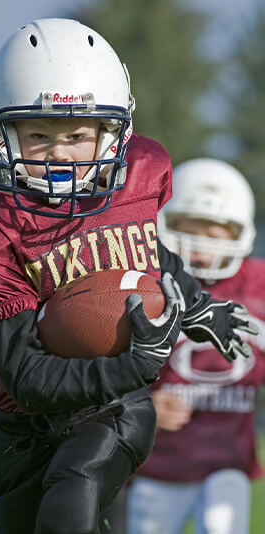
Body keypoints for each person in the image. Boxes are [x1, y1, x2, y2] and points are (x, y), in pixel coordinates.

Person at [0, 19, 257, 534]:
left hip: (110, 406)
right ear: (0, 130)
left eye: (77, 135)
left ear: (114, 132)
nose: (60, 154)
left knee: (73, 499)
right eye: (38, 135)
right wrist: (138, 363)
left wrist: (195, 306)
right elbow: (28, 380)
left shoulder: (139, 178)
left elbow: (152, 260)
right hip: (22, 420)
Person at [128, 158, 265, 534]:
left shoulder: (258, 285)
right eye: (190, 232)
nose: (203, 252)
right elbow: (105, 370)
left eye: (215, 234)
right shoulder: (139, 283)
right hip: (156, 462)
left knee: (223, 524)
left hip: (227, 461)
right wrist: (141, 404)